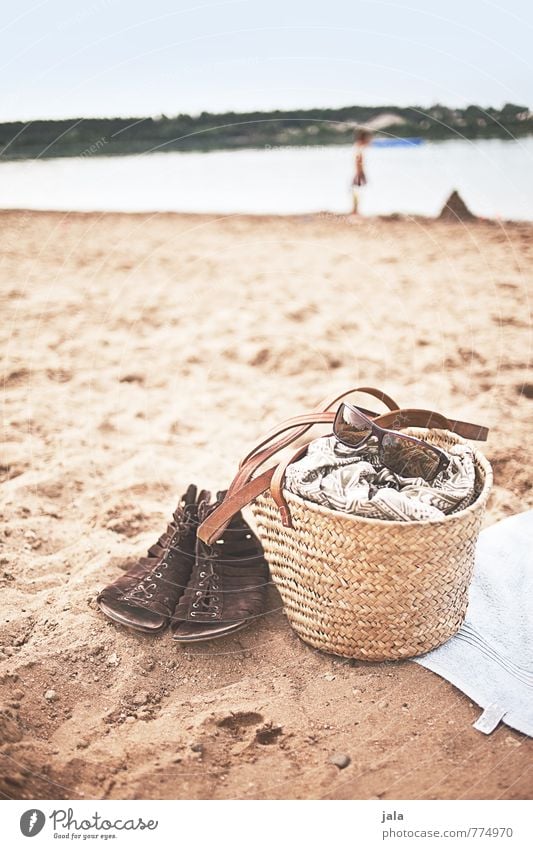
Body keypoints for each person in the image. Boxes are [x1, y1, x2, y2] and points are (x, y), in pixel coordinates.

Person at [351, 128, 371, 215]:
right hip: (358, 173)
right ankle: (355, 210)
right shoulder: (360, 148)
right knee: (357, 190)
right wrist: (361, 174)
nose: (370, 141)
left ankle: (356, 209)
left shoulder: (358, 147)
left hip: (357, 172)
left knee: (356, 190)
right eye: (369, 139)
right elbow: (358, 162)